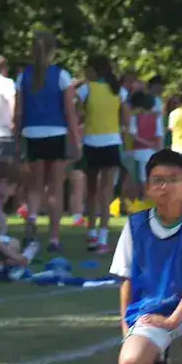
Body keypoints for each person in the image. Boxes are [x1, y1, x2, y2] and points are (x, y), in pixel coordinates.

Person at [110, 148, 182, 364]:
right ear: (147, 187)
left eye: (173, 180)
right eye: (158, 180)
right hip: (151, 313)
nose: (165, 187)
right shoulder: (135, 225)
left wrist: (174, 320)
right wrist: (126, 330)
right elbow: (126, 281)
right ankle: (160, 353)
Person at [15, 30, 81, 250]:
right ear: (53, 50)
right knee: (55, 188)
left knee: (35, 185)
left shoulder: (23, 76)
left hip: (31, 133)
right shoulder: (62, 76)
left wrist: (17, 139)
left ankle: (32, 222)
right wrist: (76, 140)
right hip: (56, 133)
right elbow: (70, 112)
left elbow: (18, 112)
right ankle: (54, 237)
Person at [78, 56, 125, 251]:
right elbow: (125, 115)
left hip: (92, 141)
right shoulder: (118, 90)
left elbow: (76, 112)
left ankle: (92, 232)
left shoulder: (86, 88)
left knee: (91, 190)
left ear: (93, 70)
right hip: (112, 141)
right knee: (106, 190)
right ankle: (102, 237)